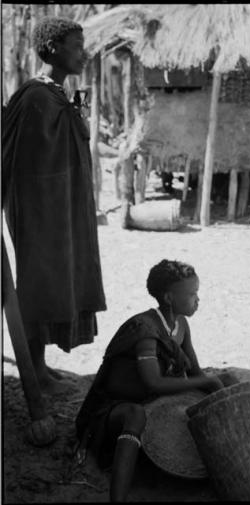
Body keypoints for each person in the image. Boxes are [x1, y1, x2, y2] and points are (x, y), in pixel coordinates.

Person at [75, 259, 250, 502]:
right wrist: (206, 383)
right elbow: (154, 383)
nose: (198, 300)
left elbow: (194, 373)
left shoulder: (180, 324)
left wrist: (217, 383)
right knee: (135, 415)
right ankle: (117, 497)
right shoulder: (145, 331)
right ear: (169, 298)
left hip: (159, 400)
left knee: (229, 381)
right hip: (117, 407)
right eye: (192, 294)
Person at [2, 17, 107, 394]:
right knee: (39, 284)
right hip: (41, 213)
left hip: (65, 209)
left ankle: (41, 365)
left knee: (60, 281)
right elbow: (18, 161)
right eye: (76, 46)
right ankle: (36, 372)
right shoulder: (34, 97)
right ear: (53, 49)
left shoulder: (58, 95)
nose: (84, 53)